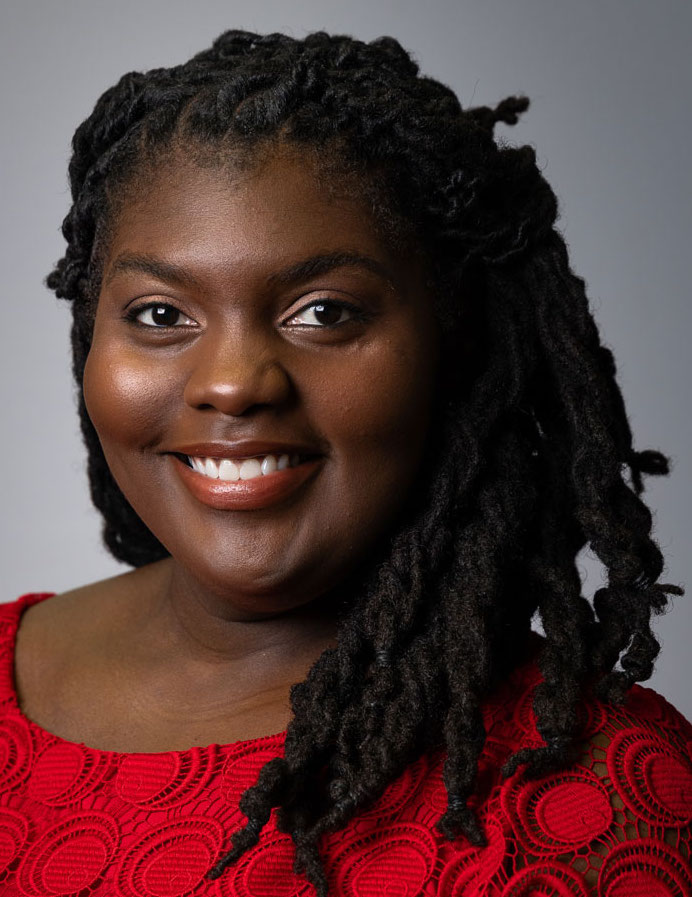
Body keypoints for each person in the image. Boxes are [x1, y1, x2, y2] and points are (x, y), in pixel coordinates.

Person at [1, 27, 689, 897]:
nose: (232, 383)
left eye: (324, 312)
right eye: (161, 314)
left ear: (452, 345)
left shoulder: (599, 803)